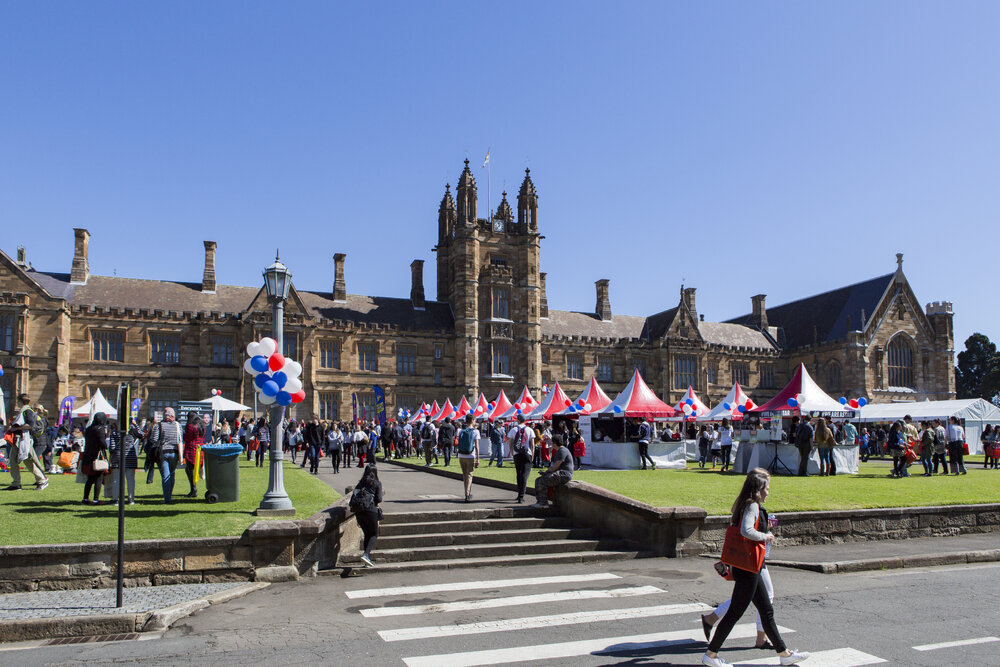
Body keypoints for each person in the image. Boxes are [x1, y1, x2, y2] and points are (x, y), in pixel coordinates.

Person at [701, 468, 808, 667]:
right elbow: (746, 531)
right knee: (735, 613)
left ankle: (784, 654)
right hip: (749, 568)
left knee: (766, 610)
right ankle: (711, 654)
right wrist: (765, 536)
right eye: (767, 488)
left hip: (750, 567)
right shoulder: (752, 506)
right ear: (759, 489)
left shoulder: (746, 504)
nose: (769, 492)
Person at [4, 393, 49, 491]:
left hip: (23, 440)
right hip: (19, 440)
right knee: (14, 461)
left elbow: (30, 425)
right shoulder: (25, 410)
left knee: (28, 461)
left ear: (19, 401)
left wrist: (15, 429)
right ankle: (16, 484)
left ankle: (42, 480)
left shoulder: (27, 410)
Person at [349, 464, 383, 568]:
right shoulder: (377, 483)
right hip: (370, 510)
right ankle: (366, 555)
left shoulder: (360, 483)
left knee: (367, 534)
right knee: (374, 534)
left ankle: (366, 560)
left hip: (359, 511)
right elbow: (379, 499)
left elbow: (354, 495)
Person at [150, 407, 184, 503]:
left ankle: (167, 498)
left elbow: (154, 439)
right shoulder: (178, 425)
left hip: (163, 453)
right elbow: (180, 439)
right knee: (172, 475)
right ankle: (169, 496)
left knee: (165, 476)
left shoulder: (159, 425)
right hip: (175, 453)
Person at [532, 433, 574, 508]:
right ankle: (540, 501)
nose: (551, 444)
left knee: (543, 480)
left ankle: (543, 503)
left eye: (552, 442)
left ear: (555, 443)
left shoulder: (562, 451)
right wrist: (546, 472)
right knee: (538, 480)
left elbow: (555, 466)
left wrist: (546, 472)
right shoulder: (559, 451)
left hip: (565, 474)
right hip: (560, 473)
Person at [108, 423, 141, 504]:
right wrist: (135, 424)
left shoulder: (114, 433)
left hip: (118, 457)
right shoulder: (132, 432)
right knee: (130, 479)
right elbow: (141, 434)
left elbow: (112, 448)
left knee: (116, 479)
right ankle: (131, 499)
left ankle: (115, 499)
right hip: (131, 457)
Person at [81, 412, 110, 505]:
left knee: (90, 479)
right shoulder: (100, 429)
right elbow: (102, 443)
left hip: (88, 454)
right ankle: (96, 499)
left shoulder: (89, 429)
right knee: (98, 477)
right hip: (97, 456)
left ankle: (85, 498)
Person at [506, 414, 535, 503]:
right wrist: (532, 456)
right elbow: (532, 445)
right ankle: (521, 496)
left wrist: (512, 452)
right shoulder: (530, 430)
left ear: (518, 420)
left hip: (517, 454)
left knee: (518, 474)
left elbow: (510, 443)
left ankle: (519, 494)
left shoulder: (513, 430)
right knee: (525, 475)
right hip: (527, 454)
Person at [457, 415, 480, 502]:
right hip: (470, 455)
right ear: (473, 420)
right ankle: (467, 494)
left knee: (464, 475)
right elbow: (477, 446)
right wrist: (478, 459)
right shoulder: (475, 431)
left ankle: (467, 492)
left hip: (461, 455)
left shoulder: (462, 430)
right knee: (469, 475)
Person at [183, 411, 205, 497]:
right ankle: (193, 489)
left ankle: (193, 489)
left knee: (190, 470)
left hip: (191, 449)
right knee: (191, 470)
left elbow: (186, 438)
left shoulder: (190, 426)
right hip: (200, 449)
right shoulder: (202, 426)